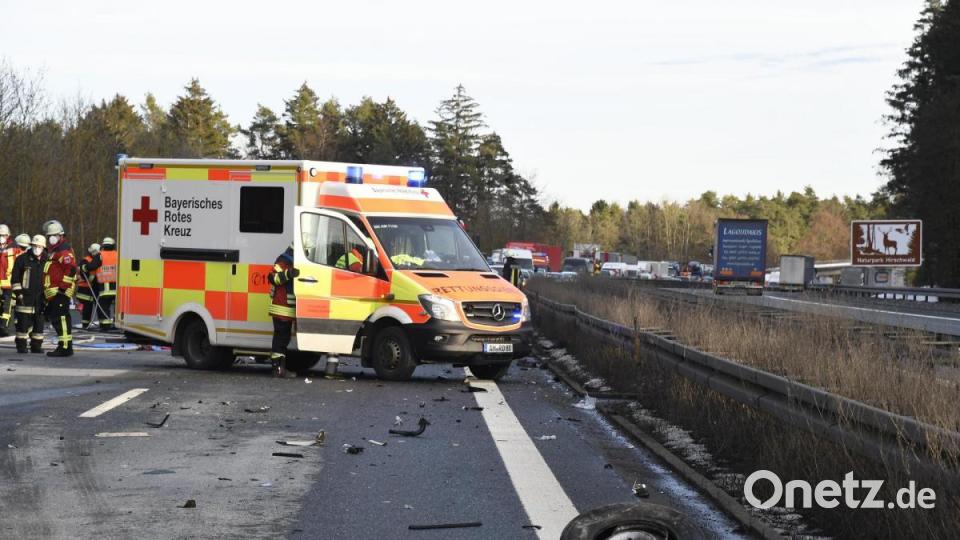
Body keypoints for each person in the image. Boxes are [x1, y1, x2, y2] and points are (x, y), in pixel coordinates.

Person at [41, 220, 78, 357]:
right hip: (55, 292)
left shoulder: (64, 252)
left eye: (54, 235)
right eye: (49, 235)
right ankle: (63, 345)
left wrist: (62, 289)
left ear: (61, 236)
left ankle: (65, 347)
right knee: (56, 317)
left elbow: (71, 270)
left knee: (61, 318)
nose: (51, 238)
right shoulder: (54, 251)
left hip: (61, 292)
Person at [11, 235, 47, 353]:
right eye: (35, 246)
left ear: (43, 247)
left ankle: (36, 346)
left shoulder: (47, 260)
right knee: (23, 324)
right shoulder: (22, 259)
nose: (37, 248)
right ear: (31, 246)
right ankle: (21, 346)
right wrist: (19, 293)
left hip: (41, 298)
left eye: (39, 246)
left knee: (39, 324)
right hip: (25, 297)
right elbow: (15, 278)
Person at [267, 243, 299, 378]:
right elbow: (273, 278)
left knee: (283, 340)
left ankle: (280, 369)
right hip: (281, 308)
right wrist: (289, 273)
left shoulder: (290, 260)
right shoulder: (284, 260)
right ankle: (278, 370)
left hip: (286, 310)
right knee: (280, 340)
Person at [0, 224, 23, 337]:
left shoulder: (14, 249)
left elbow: (20, 263)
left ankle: (4, 327)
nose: (1, 237)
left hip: (8, 283)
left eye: (3, 235)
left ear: (8, 235)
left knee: (6, 306)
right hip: (1, 282)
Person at [76, 243, 101, 329]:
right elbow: (85, 274)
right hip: (85, 288)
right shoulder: (86, 260)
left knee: (97, 306)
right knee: (87, 308)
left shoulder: (96, 259)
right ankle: (85, 325)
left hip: (92, 287)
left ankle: (90, 324)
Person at [95, 237, 117, 330]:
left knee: (104, 306)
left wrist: (84, 268)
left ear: (103, 246)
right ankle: (117, 324)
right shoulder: (118, 254)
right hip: (117, 288)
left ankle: (105, 326)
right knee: (118, 308)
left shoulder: (100, 255)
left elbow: (92, 266)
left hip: (105, 288)